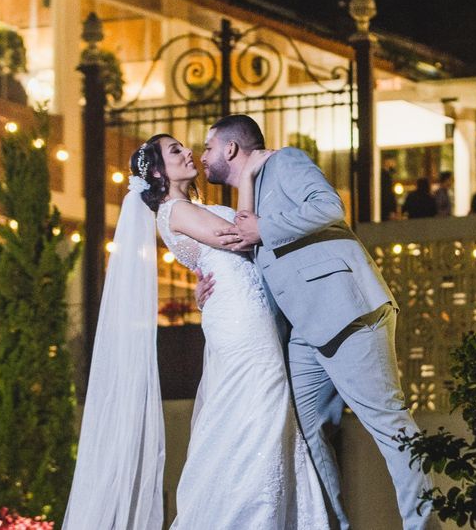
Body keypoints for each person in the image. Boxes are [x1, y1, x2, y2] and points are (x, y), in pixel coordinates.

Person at [64, 135, 328, 529]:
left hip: (243, 311)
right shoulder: (174, 210)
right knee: (260, 409)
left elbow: (220, 255)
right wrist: (247, 181)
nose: (188, 153)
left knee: (255, 414)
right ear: (157, 172)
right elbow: (239, 239)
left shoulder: (190, 208)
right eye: (176, 151)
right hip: (241, 323)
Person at [196, 115, 436, 530]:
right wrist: (212, 292)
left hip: (347, 314)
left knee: (389, 423)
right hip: (305, 334)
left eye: (207, 147)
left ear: (231, 149)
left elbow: (330, 207)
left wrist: (265, 228)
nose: (201, 157)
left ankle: (424, 526)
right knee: (302, 436)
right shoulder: (247, 198)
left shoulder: (285, 162)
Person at [381, 156, 399, 221]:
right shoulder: (385, 177)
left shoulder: (385, 175)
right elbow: (387, 194)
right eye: (393, 162)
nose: (394, 164)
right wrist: (391, 210)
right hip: (386, 210)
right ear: (387, 162)